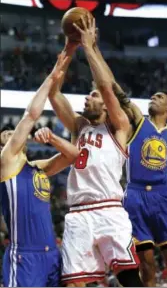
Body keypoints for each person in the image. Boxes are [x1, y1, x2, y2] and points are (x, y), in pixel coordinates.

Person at [76, 17, 167, 287]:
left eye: (159, 97)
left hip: (163, 197)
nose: (153, 98)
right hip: (134, 195)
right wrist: (94, 49)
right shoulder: (137, 120)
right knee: (145, 264)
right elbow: (111, 88)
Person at [48, 20, 143, 287]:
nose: (86, 99)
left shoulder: (119, 125)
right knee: (74, 283)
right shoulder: (78, 127)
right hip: (78, 212)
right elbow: (53, 92)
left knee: (129, 278)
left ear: (104, 102)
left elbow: (105, 86)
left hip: (109, 209)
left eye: (92, 95)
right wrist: (69, 48)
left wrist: (89, 47)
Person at [0, 53, 80, 287]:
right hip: (25, 255)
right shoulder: (6, 162)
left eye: (11, 133)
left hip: (51, 254)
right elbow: (31, 115)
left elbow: (73, 156)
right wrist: (53, 75)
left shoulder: (37, 168)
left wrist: (53, 139)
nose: (10, 135)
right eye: (5, 135)